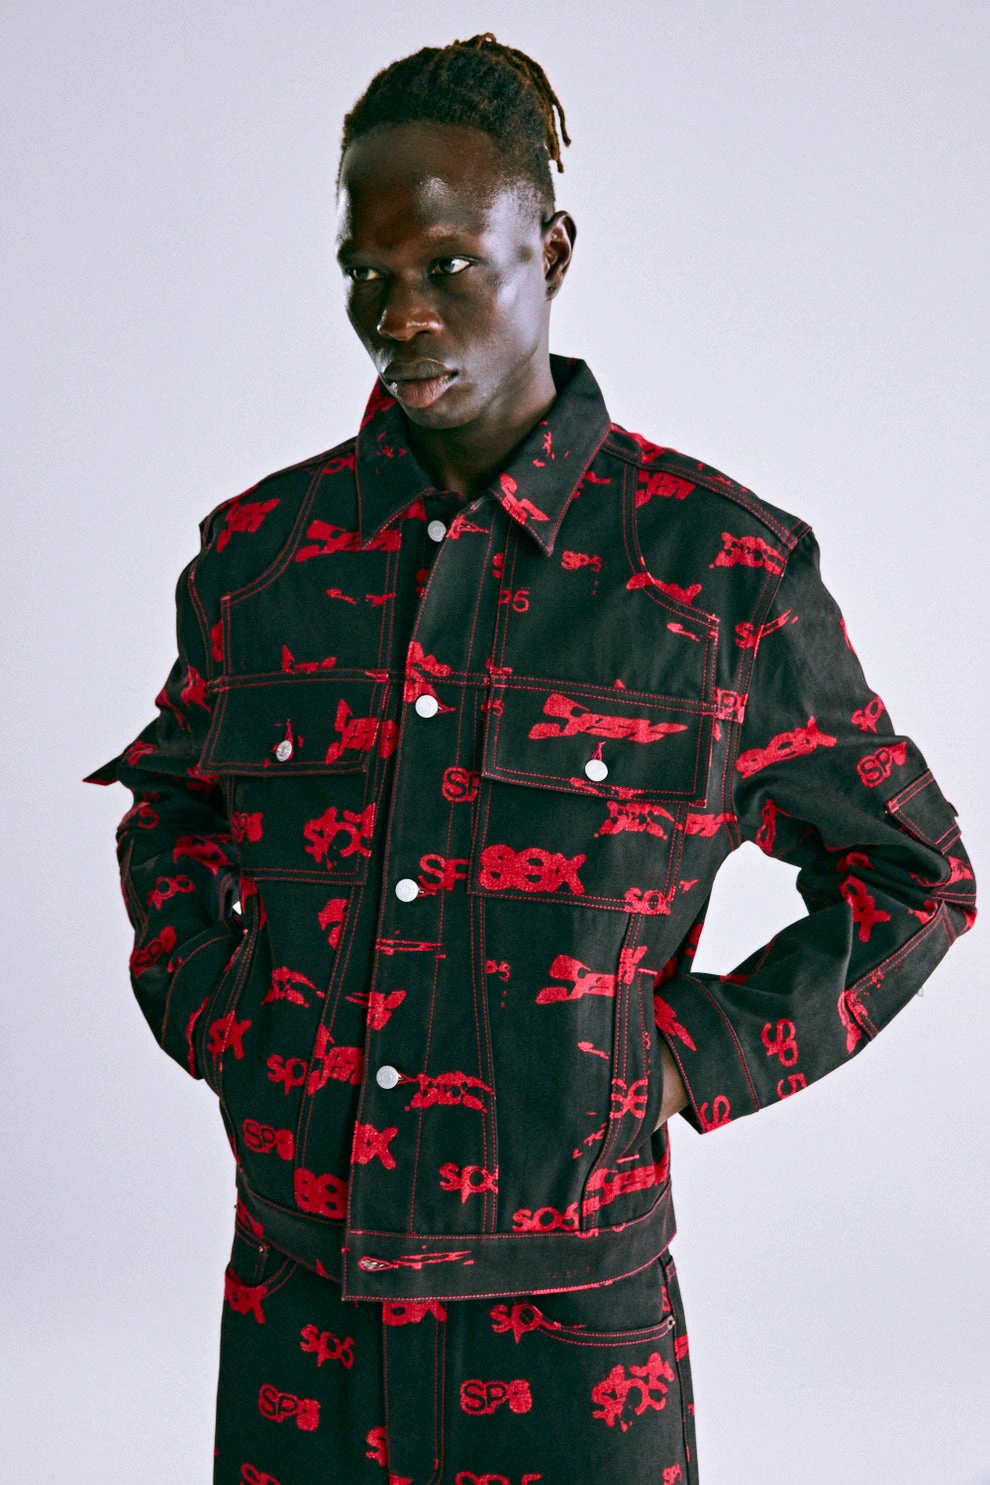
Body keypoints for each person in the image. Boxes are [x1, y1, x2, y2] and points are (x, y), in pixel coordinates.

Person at [87, 34, 976, 1485]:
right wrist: (229, 1022)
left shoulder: (716, 574)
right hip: (301, 1304)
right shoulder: (262, 561)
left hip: (575, 1332)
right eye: (367, 273)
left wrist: (678, 1062)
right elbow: (168, 810)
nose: (400, 317)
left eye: (449, 266)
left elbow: (914, 876)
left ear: (549, 249)